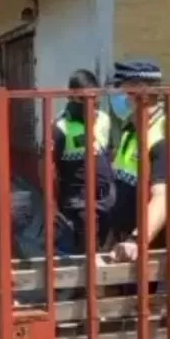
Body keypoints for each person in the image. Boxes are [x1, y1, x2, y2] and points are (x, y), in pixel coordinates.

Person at [109, 60, 170, 262]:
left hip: (156, 252)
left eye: (123, 89)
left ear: (142, 91)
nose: (118, 96)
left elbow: (163, 198)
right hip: (127, 247)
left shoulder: (166, 138)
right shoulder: (131, 131)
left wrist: (137, 240)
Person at [52, 68, 115, 254]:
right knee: (83, 259)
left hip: (106, 202)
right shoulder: (60, 127)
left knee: (104, 255)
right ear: (71, 97)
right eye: (84, 99)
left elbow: (109, 153)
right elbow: (47, 169)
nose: (91, 105)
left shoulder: (103, 119)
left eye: (94, 99)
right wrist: (53, 205)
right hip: (78, 205)